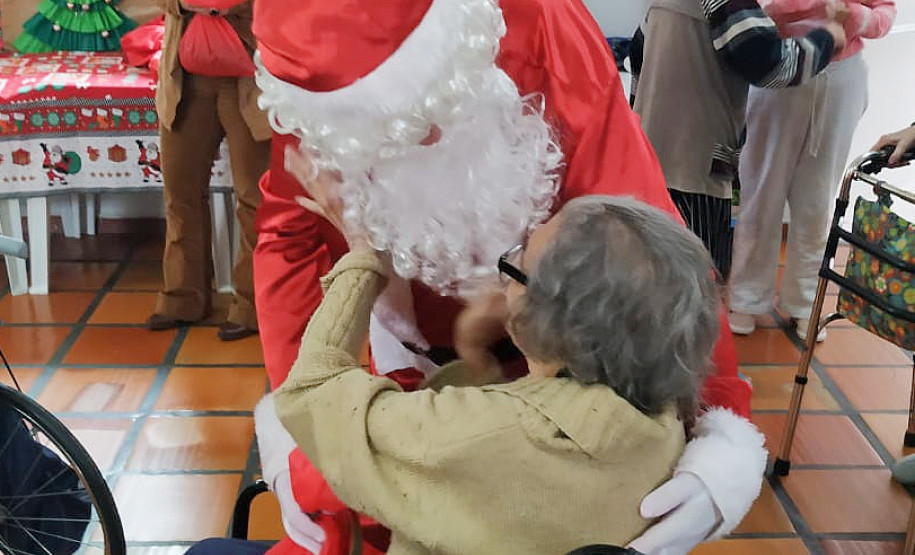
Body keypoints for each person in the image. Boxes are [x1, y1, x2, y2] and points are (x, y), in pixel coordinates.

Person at [249, 1, 766, 554]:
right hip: (401, 367)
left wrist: (719, 437)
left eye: (421, 121)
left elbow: (646, 246)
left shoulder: (545, 33)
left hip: (564, 362)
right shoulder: (310, 64)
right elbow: (290, 237)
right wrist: (298, 451)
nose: (407, 146)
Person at [277, 182, 726, 553]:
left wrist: (363, 256)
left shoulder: (474, 437)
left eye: (517, 262)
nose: (504, 280)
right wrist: (478, 356)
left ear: (554, 316)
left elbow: (312, 393)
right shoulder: (667, 423)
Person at [632, 0, 847, 278]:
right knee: (698, 278)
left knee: (651, 272)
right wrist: (828, 37)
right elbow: (771, 64)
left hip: (648, 160)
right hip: (697, 170)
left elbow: (637, 57)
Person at [727, 0, 896, 341]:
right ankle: (746, 297)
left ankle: (806, 303)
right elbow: (753, 9)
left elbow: (884, 15)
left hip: (842, 77)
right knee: (761, 193)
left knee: (818, 200)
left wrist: (855, 16)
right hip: (779, 70)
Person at [146, 0, 270, 341]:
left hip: (251, 79)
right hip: (185, 78)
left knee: (255, 199)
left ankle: (252, 308)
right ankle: (182, 299)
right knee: (180, 192)